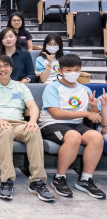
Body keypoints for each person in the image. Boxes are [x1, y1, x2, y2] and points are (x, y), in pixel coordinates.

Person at [0, 55, 54, 202]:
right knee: (5, 131)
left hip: (18, 124)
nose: (2, 69)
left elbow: (33, 107)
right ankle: (7, 181)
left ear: (11, 69)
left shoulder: (21, 87)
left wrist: (32, 121)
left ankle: (37, 181)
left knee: (34, 131)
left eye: (5, 65)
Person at [39, 54, 107, 199]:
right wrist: (86, 113)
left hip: (76, 124)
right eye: (69, 70)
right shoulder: (52, 88)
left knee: (96, 137)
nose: (73, 73)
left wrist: (93, 107)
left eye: (76, 69)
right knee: (73, 136)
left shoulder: (85, 90)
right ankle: (59, 178)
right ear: (61, 71)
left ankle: (85, 179)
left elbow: (93, 116)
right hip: (52, 125)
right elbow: (55, 113)